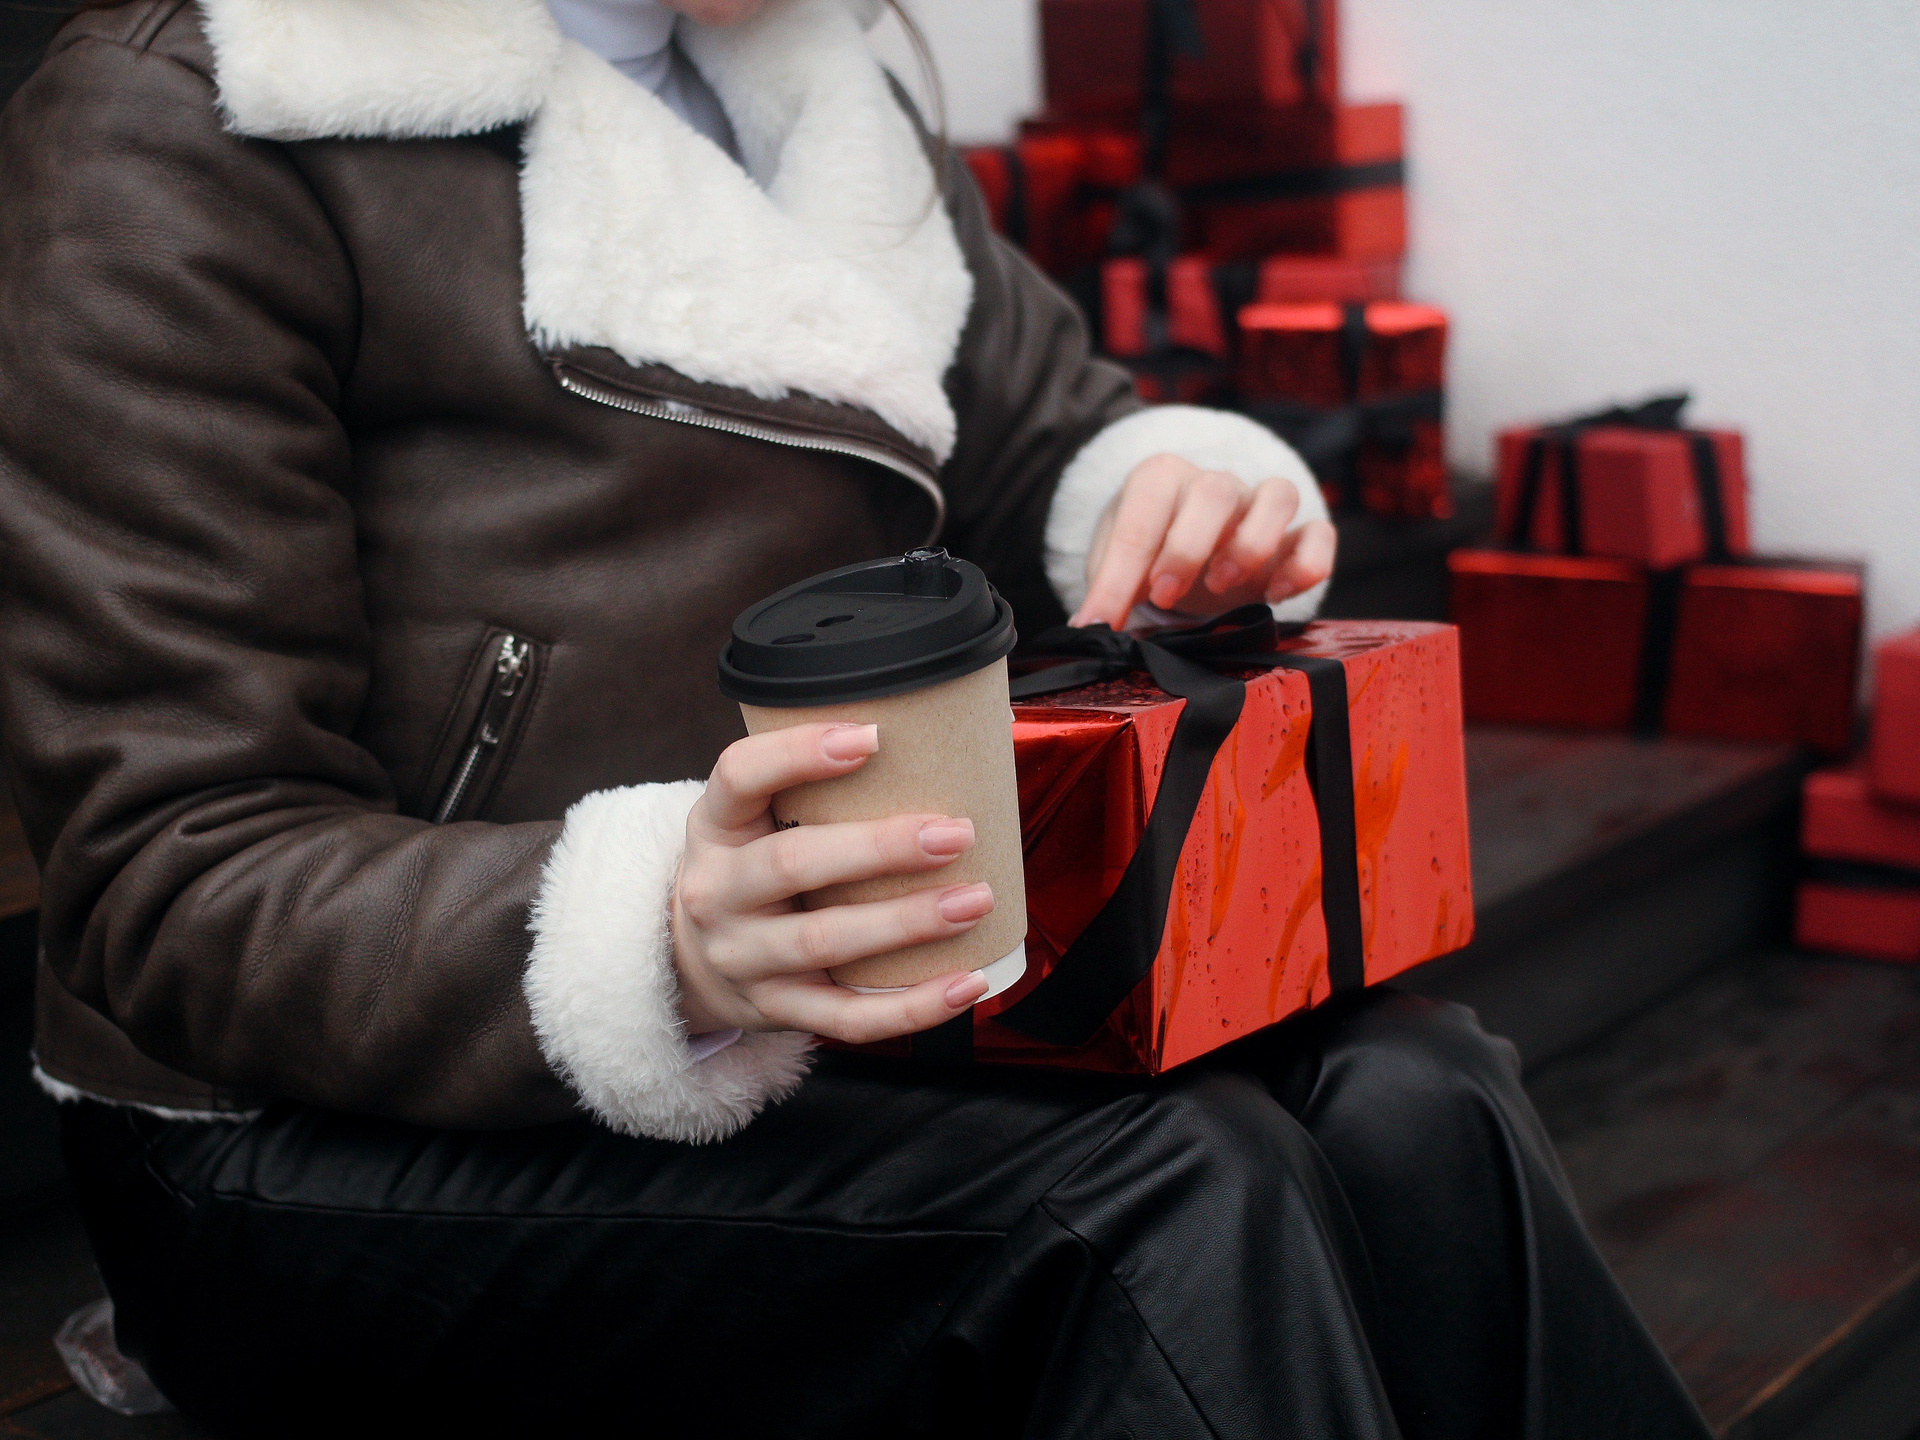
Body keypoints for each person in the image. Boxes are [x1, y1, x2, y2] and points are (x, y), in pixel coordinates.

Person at [0, 0, 1710, 1435]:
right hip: (299, 1138)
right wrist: (658, 933)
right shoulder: (192, 116)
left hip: (806, 1016)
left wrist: (1177, 500)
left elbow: (1046, 439)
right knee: (1165, 1184)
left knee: (1414, 1092)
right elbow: (172, 867)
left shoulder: (808, 78)